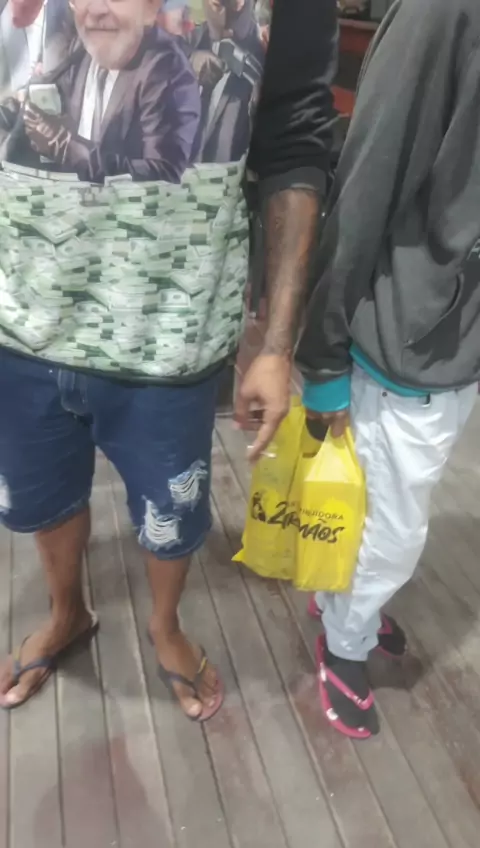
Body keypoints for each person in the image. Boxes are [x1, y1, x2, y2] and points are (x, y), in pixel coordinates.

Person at [0, 0, 337, 720]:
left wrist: (277, 345)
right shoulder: (64, 53)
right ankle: (66, 612)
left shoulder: (167, 72)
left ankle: (164, 625)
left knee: (171, 511)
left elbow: (292, 145)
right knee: (39, 496)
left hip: (172, 337)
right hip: (17, 324)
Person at [292, 0, 480, 739]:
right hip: (409, 334)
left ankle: (346, 605)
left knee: (378, 504)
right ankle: (345, 643)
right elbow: (367, 177)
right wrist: (322, 355)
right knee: (392, 525)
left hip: (449, 333)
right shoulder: (444, 11)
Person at [0, 0, 201, 182]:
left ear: (150, 7)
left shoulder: (166, 70)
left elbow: (164, 177)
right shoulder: (81, 51)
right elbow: (39, 103)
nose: (96, 9)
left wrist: (70, 150)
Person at [183, 0, 264, 162]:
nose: (226, 18)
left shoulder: (265, 54)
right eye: (218, 5)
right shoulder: (187, 44)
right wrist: (188, 63)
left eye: (235, 4)